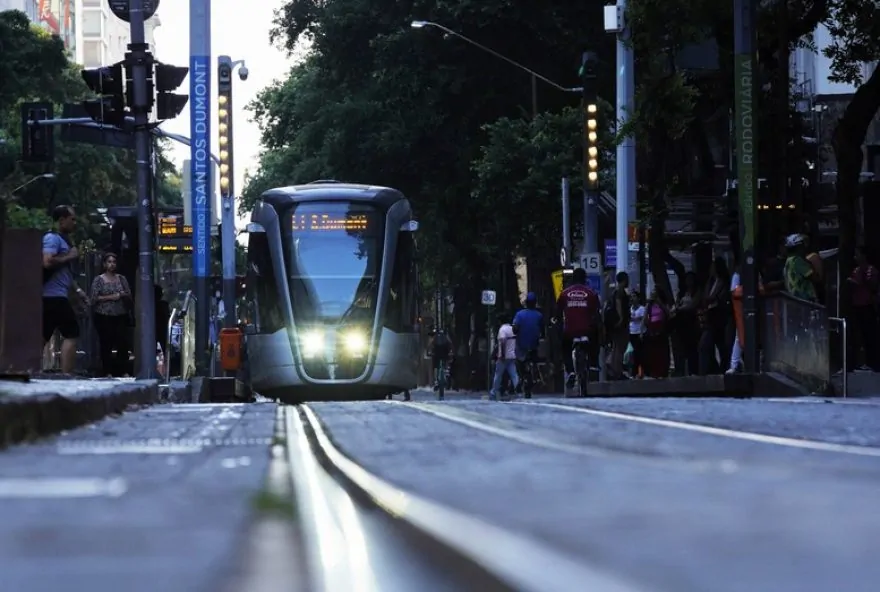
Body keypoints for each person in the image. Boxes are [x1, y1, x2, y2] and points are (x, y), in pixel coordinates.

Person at [42, 205, 88, 374]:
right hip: (53, 296)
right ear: (62, 220)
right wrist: (70, 255)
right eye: (72, 219)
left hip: (56, 296)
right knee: (72, 333)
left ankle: (28, 368)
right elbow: (47, 261)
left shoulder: (64, 240)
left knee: (43, 335)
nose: (74, 223)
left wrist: (78, 291)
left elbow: (65, 273)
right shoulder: (52, 238)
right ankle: (67, 374)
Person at [555, 267, 601, 388]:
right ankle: (593, 365)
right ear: (585, 279)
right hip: (587, 330)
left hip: (570, 331)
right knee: (595, 340)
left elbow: (558, 312)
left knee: (565, 348)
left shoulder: (564, 293)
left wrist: (558, 323)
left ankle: (570, 371)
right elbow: (596, 313)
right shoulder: (591, 293)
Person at [89, 252, 132, 376]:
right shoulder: (99, 280)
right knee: (106, 344)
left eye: (114, 262)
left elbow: (128, 294)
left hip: (120, 315)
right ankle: (107, 371)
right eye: (109, 262)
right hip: (103, 316)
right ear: (104, 264)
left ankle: (122, 370)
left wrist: (123, 295)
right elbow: (93, 298)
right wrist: (112, 297)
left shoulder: (121, 279)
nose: (112, 264)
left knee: (122, 343)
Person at [848, 246, 879, 371]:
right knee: (859, 334)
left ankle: (873, 362)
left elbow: (873, 285)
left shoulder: (871, 269)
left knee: (870, 334)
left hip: (867, 305)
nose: (855, 257)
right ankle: (861, 361)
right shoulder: (855, 270)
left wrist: (861, 280)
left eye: (858, 254)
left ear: (864, 256)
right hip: (857, 305)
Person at [607, 271, 631, 380]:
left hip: (617, 324)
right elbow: (618, 304)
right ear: (624, 280)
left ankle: (613, 366)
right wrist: (621, 318)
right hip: (620, 324)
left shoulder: (615, 292)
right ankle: (617, 370)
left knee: (617, 346)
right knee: (620, 347)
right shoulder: (620, 292)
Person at [513, 292, 544, 372]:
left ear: (526, 303)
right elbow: (542, 330)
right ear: (535, 303)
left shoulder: (519, 314)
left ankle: (520, 375)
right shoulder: (539, 315)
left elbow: (515, 329)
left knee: (518, 361)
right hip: (534, 346)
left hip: (521, 347)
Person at [490, 313, 519, 400]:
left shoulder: (502, 330)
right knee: (514, 374)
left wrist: (501, 355)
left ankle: (494, 392)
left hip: (503, 356)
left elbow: (502, 342)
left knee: (498, 375)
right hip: (511, 355)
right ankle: (518, 390)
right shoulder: (511, 328)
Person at [783, 233, 818, 302]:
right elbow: (815, 277)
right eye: (803, 245)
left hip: (795, 299)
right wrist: (811, 263)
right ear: (798, 247)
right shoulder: (797, 260)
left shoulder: (788, 261)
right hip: (804, 300)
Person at [628, 291, 646, 378]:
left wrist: (635, 318)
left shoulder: (642, 309)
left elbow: (643, 319)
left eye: (634, 296)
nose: (632, 298)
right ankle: (634, 372)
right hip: (631, 332)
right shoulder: (630, 309)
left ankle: (639, 372)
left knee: (639, 353)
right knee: (633, 353)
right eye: (631, 296)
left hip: (639, 332)